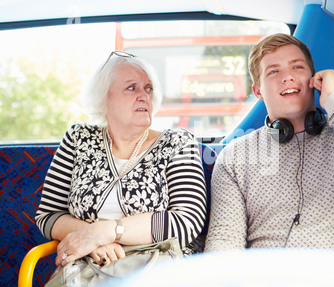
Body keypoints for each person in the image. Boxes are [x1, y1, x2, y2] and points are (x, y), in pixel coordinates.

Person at [204, 34, 334, 251]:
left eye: (297, 67)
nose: (287, 77)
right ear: (258, 91)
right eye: (274, 71)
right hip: (264, 281)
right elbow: (223, 245)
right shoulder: (235, 157)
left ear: (313, 79)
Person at [35, 51, 207, 267]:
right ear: (104, 97)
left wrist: (109, 231)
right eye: (131, 87)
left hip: (159, 267)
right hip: (89, 265)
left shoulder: (179, 142)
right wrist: (94, 241)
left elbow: (188, 220)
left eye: (149, 88)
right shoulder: (78, 138)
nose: (144, 95)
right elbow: (48, 215)